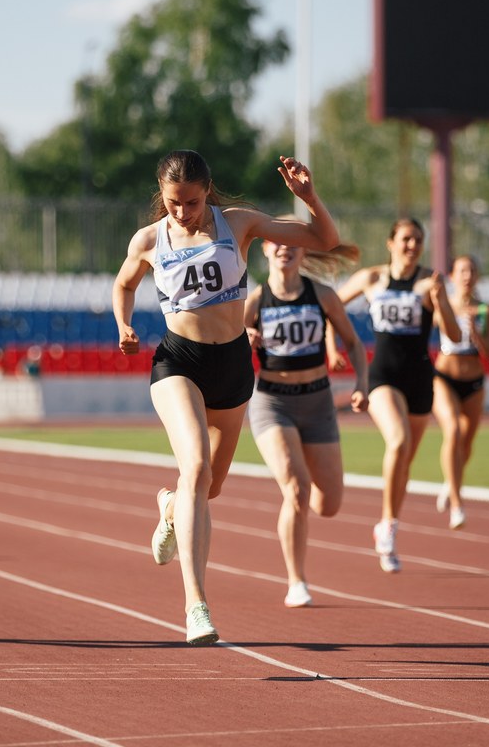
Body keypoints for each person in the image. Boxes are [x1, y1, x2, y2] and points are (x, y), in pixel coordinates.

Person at [112, 150, 340, 645]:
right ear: (162, 196)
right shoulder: (150, 240)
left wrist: (308, 198)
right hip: (178, 362)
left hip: (233, 366)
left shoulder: (237, 224)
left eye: (191, 203)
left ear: (207, 192)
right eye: (173, 203)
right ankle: (196, 605)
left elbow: (326, 241)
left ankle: (171, 508)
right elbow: (123, 283)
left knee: (207, 488)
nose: (181, 213)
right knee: (194, 466)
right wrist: (124, 325)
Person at [244, 236, 368, 609]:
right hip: (273, 403)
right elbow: (225, 352)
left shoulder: (322, 295)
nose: (284, 248)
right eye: (277, 243)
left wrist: (363, 383)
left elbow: (353, 342)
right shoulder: (255, 301)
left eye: (293, 243)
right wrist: (243, 340)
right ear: (265, 249)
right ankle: (296, 580)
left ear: (303, 251)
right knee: (296, 489)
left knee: (328, 504)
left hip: (318, 402)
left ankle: (302, 502)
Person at [329, 218, 459, 572]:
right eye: (405, 239)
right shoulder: (372, 279)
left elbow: (455, 335)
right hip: (382, 376)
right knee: (398, 442)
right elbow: (330, 305)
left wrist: (442, 302)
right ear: (390, 243)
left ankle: (388, 523)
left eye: (418, 239)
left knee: (404, 464)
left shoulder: (430, 281)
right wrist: (330, 345)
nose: (412, 245)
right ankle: (387, 527)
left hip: (420, 379)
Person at [431, 255, 489, 530]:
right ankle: (458, 504)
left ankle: (451, 481)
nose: (467, 275)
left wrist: (477, 333)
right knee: (453, 432)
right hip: (444, 377)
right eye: (462, 270)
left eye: (472, 270)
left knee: (467, 443)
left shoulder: (486, 311)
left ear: (478, 276)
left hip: (473, 382)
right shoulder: (443, 306)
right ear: (452, 275)